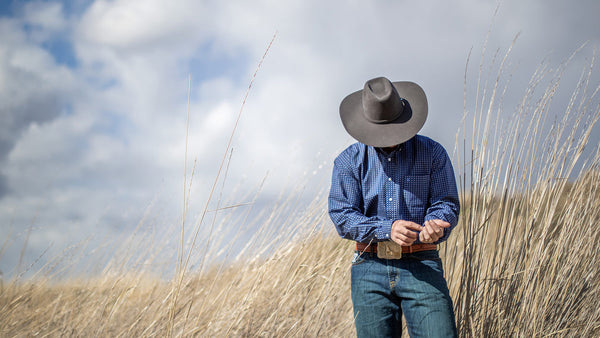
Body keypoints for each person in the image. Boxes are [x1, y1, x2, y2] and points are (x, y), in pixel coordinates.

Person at [328, 77, 459, 337]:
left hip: (422, 261)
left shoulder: (433, 153)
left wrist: (436, 225)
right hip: (369, 266)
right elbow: (342, 216)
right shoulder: (348, 162)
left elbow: (446, 203)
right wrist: (388, 228)